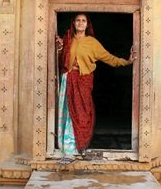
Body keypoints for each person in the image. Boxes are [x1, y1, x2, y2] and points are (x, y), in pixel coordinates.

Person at [56, 13, 136, 165]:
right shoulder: (68, 40)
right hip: (69, 80)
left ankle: (81, 146)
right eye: (78, 20)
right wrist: (60, 47)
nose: (80, 23)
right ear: (73, 23)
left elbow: (108, 57)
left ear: (87, 24)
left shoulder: (92, 43)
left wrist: (127, 62)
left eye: (83, 21)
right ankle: (69, 150)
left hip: (84, 81)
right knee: (69, 112)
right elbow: (60, 60)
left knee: (83, 113)